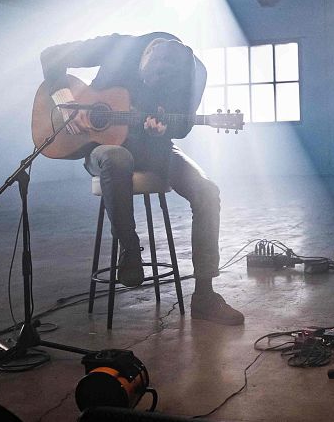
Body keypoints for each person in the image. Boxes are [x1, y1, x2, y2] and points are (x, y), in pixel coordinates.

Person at [40, 32, 244, 325]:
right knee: (116, 157)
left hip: (155, 149)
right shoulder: (119, 46)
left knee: (207, 192)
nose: (148, 87)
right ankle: (130, 249)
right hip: (102, 146)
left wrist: (162, 129)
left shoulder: (193, 72)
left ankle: (204, 296)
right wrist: (65, 102)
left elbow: (182, 125)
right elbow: (51, 54)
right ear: (145, 55)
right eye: (144, 78)